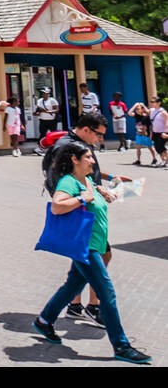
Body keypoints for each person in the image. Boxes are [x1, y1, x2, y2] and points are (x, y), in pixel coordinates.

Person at [31, 139, 151, 364]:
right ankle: (122, 346)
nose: (91, 160)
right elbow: (57, 206)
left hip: (95, 243)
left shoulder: (87, 181)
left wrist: (103, 194)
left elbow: (92, 204)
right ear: (74, 160)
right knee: (107, 294)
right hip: (86, 247)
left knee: (71, 287)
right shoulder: (68, 182)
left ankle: (44, 320)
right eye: (87, 157)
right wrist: (81, 198)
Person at [52, 113, 132, 328]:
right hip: (82, 214)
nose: (100, 139)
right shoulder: (67, 146)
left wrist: (108, 179)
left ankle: (72, 306)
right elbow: (62, 181)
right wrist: (84, 198)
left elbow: (87, 173)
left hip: (90, 210)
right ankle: (94, 308)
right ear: (87, 129)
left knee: (84, 261)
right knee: (99, 256)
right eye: (98, 134)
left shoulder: (81, 144)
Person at [129, 100, 155, 166]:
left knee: (150, 147)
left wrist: (143, 105)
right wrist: (135, 105)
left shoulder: (146, 116)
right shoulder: (136, 115)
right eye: (136, 109)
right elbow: (129, 112)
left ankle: (154, 158)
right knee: (138, 148)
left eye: (138, 109)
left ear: (142, 109)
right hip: (139, 134)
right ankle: (138, 160)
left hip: (146, 134)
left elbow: (149, 112)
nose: (137, 110)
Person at [149, 96, 167, 167]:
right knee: (157, 147)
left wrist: (165, 132)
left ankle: (167, 160)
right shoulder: (152, 111)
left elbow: (167, 122)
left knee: (161, 146)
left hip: (162, 132)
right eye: (151, 102)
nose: (152, 103)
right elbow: (152, 123)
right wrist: (151, 133)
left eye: (153, 102)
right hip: (155, 132)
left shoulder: (163, 112)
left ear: (159, 103)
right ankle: (163, 160)